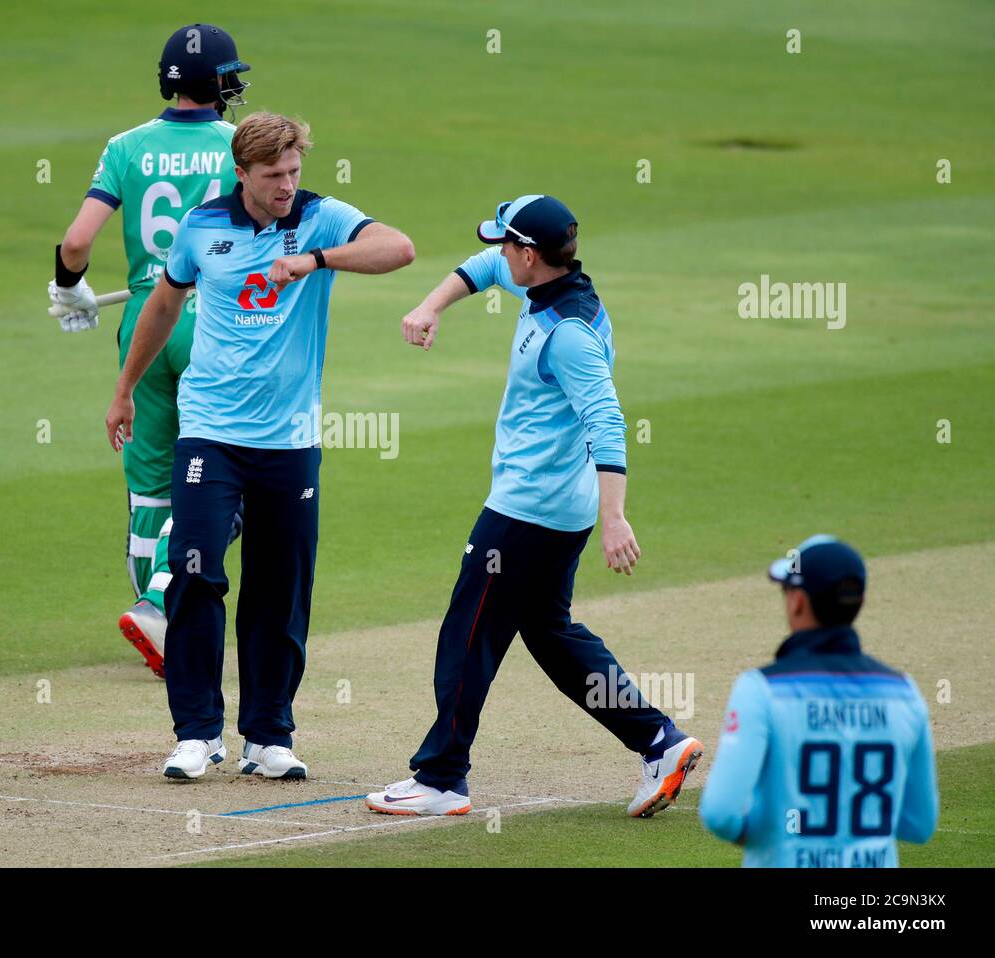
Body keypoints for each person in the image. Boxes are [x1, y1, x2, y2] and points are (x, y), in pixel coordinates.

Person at [366, 195, 702, 817]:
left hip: (528, 511)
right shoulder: (554, 286)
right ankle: (659, 740)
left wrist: (616, 516)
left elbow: (607, 420)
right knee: (552, 635)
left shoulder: (567, 334)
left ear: (530, 253)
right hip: (555, 508)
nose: (497, 253)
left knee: (467, 638)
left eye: (505, 244)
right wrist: (429, 305)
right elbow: (483, 268)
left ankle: (441, 779)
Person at [104, 112, 415, 780]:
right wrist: (125, 387)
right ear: (241, 172)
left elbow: (399, 248)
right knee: (194, 572)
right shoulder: (202, 226)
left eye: (294, 172)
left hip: (289, 441)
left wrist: (315, 259)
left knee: (279, 588)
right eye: (273, 175)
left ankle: (268, 737)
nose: (286, 185)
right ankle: (195, 735)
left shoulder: (321, 218)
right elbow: (163, 304)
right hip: (209, 433)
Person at [47, 24, 251, 679]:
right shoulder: (235, 146)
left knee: (151, 484)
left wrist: (69, 289)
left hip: (142, 318)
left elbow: (76, 242)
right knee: (235, 471)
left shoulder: (126, 147)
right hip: (210, 319)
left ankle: (151, 611)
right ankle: (163, 602)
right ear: (216, 86)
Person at [699, 536, 938, 866]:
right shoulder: (905, 692)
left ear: (797, 600)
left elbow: (720, 813)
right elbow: (919, 824)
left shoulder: (760, 689)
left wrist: (769, 837)